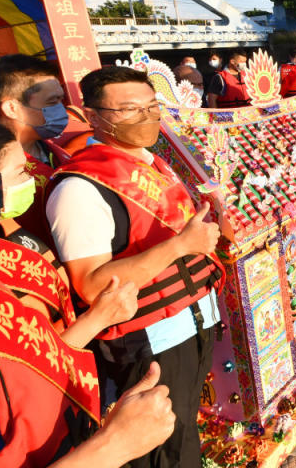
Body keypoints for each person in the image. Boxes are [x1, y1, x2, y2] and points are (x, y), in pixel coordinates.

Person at [46, 66, 224, 468]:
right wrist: (180, 246)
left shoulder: (154, 164)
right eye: (128, 110)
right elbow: (93, 286)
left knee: (183, 431)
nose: (146, 118)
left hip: (191, 318)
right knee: (158, 450)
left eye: (152, 107)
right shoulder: (80, 188)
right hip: (148, 338)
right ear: (94, 116)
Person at [0, 120, 176, 468]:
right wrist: (113, 447)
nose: (30, 180)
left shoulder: (5, 235)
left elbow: (35, 354)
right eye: (18, 174)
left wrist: (97, 320)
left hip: (60, 423)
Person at [0, 55, 74, 251]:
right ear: (12, 108)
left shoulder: (61, 153)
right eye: (52, 102)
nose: (62, 110)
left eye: (62, 100)